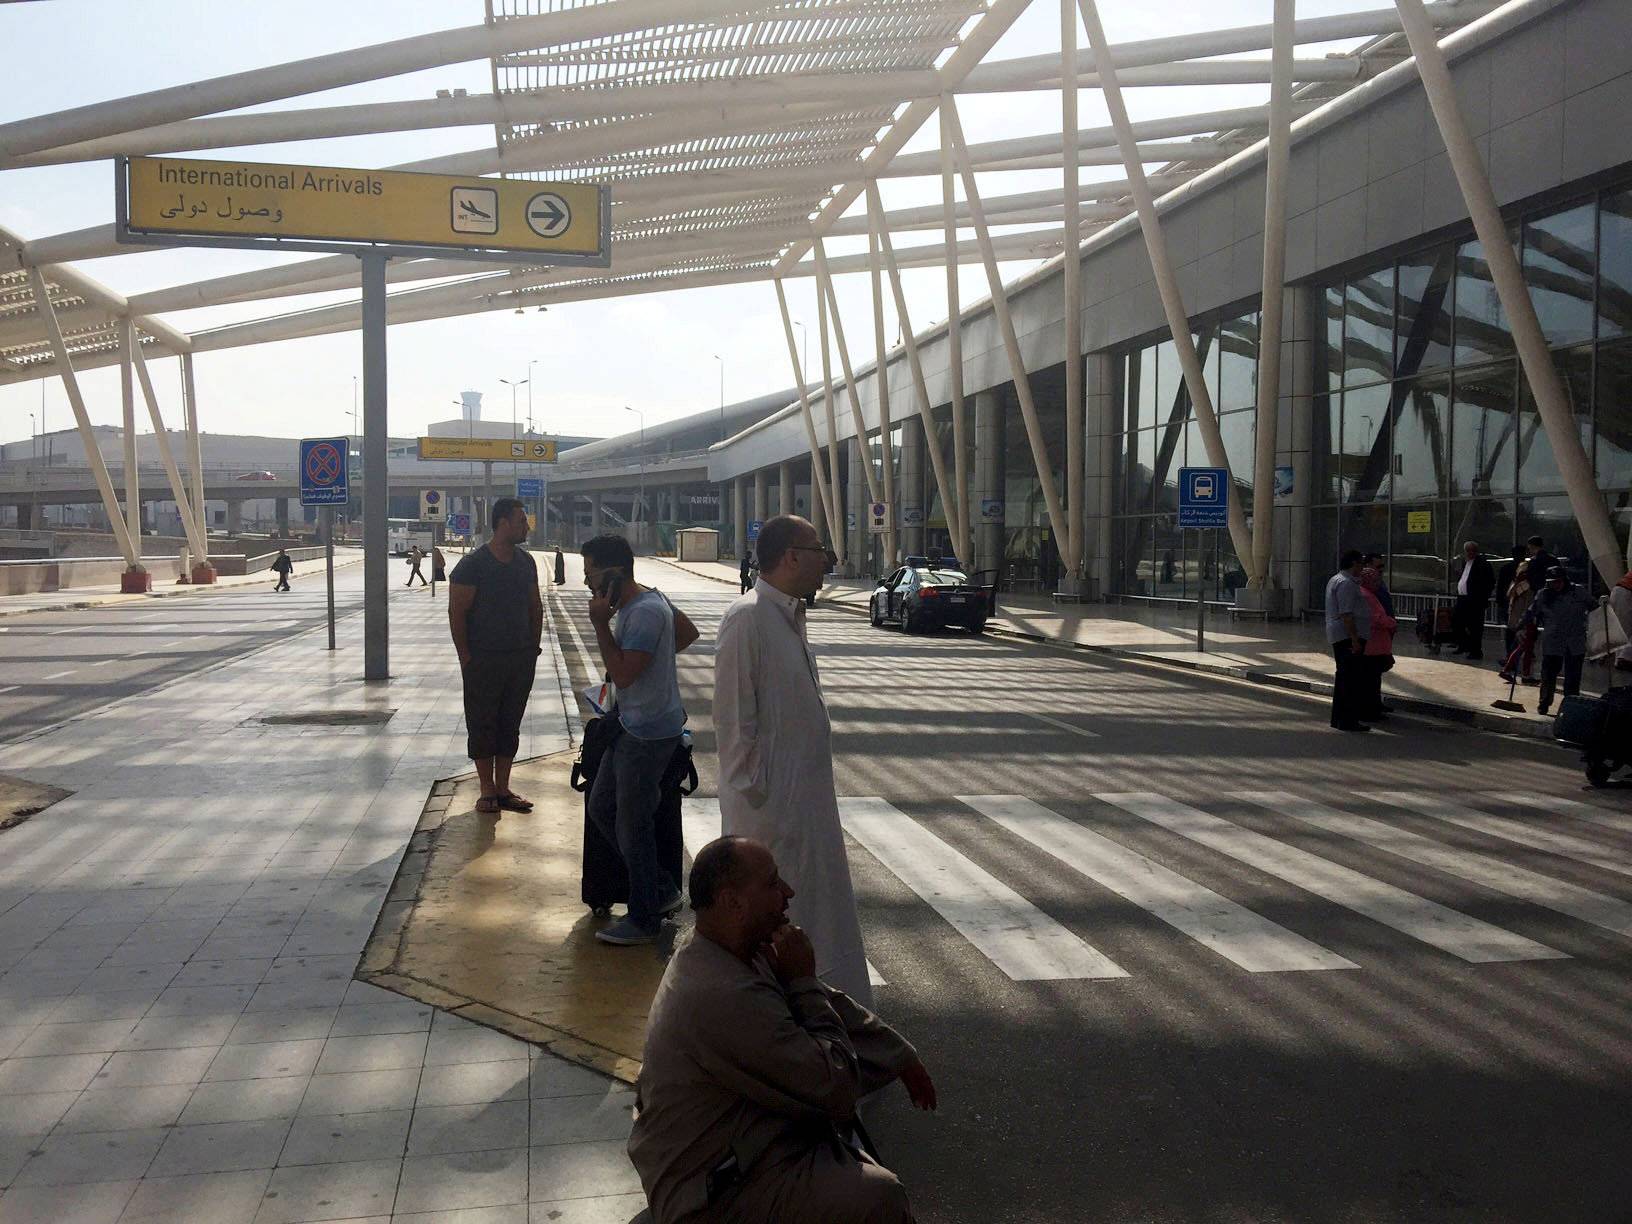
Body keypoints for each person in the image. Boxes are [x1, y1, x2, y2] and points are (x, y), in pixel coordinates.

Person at [629, 836, 933, 1224]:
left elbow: (826, 1003)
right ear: (732, 903)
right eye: (772, 884)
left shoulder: (727, 948)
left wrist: (899, 1054)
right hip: (710, 1193)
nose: (787, 893)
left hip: (739, 1149)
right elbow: (835, 1087)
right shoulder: (722, 994)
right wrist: (802, 980)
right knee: (878, 1198)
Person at [714, 515, 873, 1003]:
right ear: (790, 557)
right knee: (776, 920)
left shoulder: (788, 616)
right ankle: (779, 1020)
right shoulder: (747, 619)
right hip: (772, 816)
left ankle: (824, 1010)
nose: (827, 559)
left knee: (819, 916)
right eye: (819, 548)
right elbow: (734, 726)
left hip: (805, 806)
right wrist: (760, 812)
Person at [582, 533, 700, 946]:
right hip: (634, 723)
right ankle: (659, 888)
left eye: (590, 572)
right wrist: (656, 659)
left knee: (633, 824)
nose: (586, 582)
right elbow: (686, 633)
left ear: (612, 573)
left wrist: (600, 625)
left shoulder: (644, 613)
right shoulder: (651, 601)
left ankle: (644, 915)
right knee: (602, 807)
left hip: (646, 733)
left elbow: (625, 673)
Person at [449, 498, 542, 817]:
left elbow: (535, 606)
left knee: (510, 723)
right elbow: (457, 613)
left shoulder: (525, 562)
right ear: (503, 522)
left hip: (519, 658)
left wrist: (533, 649)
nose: (526, 526)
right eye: (521, 521)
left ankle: (503, 788)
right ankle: (486, 789)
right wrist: (466, 658)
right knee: (482, 723)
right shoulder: (473, 565)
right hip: (483, 659)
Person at [1527, 565, 1593, 716]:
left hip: (1574, 641)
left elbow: (1595, 608)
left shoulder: (1578, 592)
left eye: (1558, 581)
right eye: (1552, 582)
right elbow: (1531, 613)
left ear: (1564, 580)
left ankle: (1570, 708)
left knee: (1573, 678)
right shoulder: (1543, 595)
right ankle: (1544, 704)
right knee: (1548, 675)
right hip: (1553, 641)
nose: (1556, 585)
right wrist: (1521, 628)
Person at [1324, 549, 1372, 733]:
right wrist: (1354, 639)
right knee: (1350, 679)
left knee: (1345, 677)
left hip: (1341, 634)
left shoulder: (1338, 580)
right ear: (1353, 564)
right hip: (1347, 636)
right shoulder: (1346, 583)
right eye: (1360, 563)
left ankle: (1339, 718)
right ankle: (1348, 719)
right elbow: (1346, 613)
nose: (1362, 567)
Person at [1358, 563, 1397, 721]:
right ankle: (1369, 710)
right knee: (1370, 681)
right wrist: (1391, 622)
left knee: (1373, 679)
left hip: (1375, 644)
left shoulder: (1368, 594)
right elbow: (1375, 618)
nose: (1378, 584)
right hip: (1372, 644)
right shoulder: (1366, 596)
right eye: (1375, 581)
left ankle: (1373, 707)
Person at [1450, 540, 1495, 659]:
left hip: (1475, 600)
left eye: (1472, 551)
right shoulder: (1466, 563)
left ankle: (1475, 650)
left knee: (1475, 626)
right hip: (1462, 598)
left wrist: (1482, 597)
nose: (1470, 553)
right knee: (1456, 621)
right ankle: (1463, 644)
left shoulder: (1483, 564)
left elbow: (1489, 582)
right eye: (1468, 551)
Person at [1500, 559, 1537, 686]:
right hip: (1524, 620)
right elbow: (1528, 605)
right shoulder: (1526, 586)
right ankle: (1513, 670)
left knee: (1525, 647)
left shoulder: (1514, 583)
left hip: (1516, 619)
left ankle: (1517, 671)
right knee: (1525, 647)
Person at [1362, 552, 1395, 618]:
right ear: (1368, 566)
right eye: (1378, 567)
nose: (1381, 569)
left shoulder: (1381, 583)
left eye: (1382, 566)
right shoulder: (1363, 587)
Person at [1611, 571, 1632, 672]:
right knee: (1625, 630)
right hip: (1626, 593)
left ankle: (1621, 660)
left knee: (1623, 630)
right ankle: (1624, 658)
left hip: (1620, 591)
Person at [1495, 545, 1525, 611]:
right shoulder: (1527, 568)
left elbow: (1500, 585)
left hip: (1507, 599)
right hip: (1523, 599)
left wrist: (1499, 600)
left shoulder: (1505, 568)